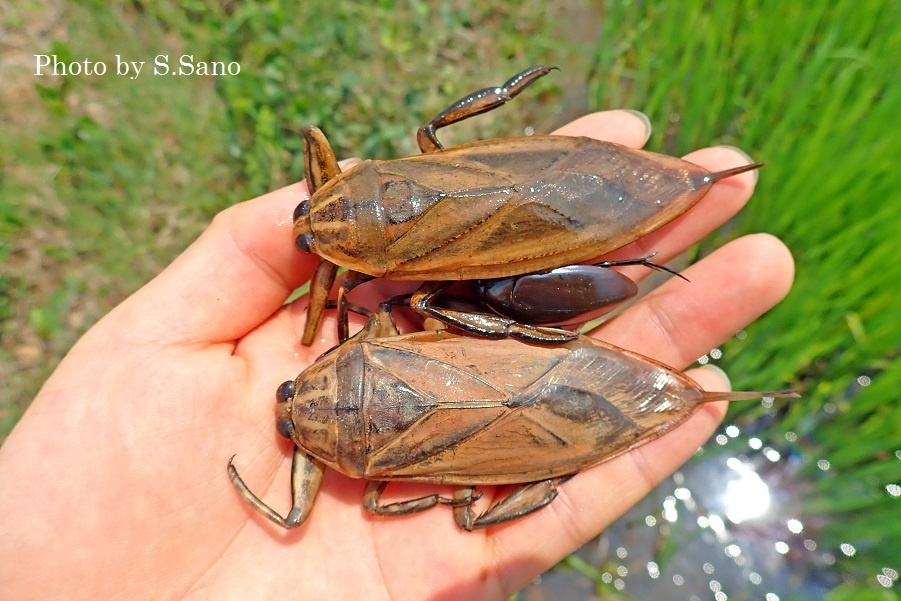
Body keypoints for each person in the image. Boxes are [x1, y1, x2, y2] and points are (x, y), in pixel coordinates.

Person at [0, 110, 793, 600]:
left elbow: (376, 462)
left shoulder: (372, 352)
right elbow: (400, 316)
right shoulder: (377, 329)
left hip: (514, 384)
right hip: (498, 337)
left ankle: (626, 357)